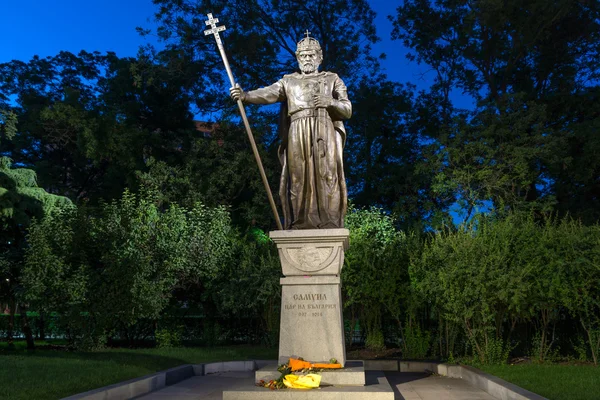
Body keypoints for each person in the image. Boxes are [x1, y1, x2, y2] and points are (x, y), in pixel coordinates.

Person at [230, 33, 352, 229]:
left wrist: (330, 102)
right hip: (297, 128)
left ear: (320, 57)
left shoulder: (332, 79)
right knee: (297, 175)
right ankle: (300, 221)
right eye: (303, 56)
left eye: (311, 55)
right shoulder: (289, 81)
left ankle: (329, 220)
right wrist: (245, 95)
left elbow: (347, 110)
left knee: (327, 173)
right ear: (297, 58)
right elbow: (268, 93)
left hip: (324, 128)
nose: (307, 59)